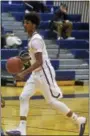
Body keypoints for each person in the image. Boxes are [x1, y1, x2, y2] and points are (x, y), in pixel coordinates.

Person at [6, 12, 86, 136]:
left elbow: (39, 62)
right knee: (23, 97)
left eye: (27, 23)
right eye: (24, 22)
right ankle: (22, 130)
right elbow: (33, 59)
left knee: (52, 102)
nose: (25, 25)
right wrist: (23, 63)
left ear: (34, 25)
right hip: (36, 74)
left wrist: (23, 73)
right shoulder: (32, 39)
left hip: (44, 73)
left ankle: (78, 120)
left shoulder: (36, 40)